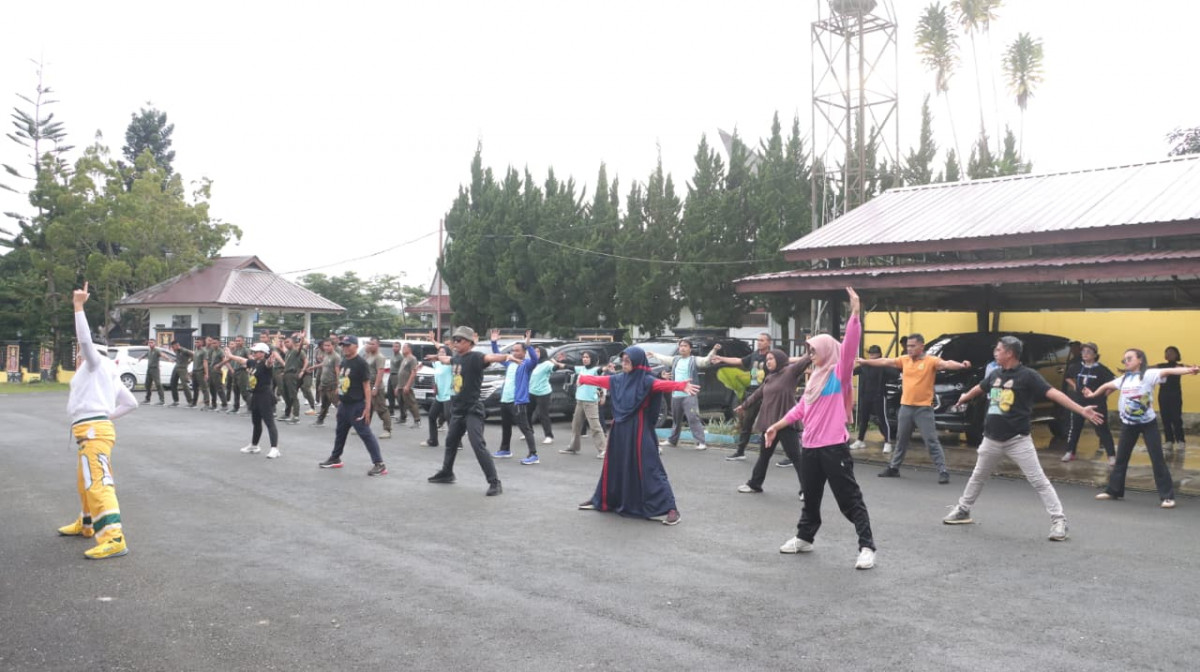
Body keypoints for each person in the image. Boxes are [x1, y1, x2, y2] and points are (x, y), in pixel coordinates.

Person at [942, 336, 1106, 540]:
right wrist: (965, 397)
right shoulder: (995, 374)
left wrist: (1081, 410)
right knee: (978, 476)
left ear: (1010, 353)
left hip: (1017, 440)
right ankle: (963, 510)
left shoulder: (1028, 376)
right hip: (991, 438)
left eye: (998, 350)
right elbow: (980, 387)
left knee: (1039, 481)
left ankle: (1059, 521)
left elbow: (1054, 394)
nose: (995, 353)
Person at [764, 288, 877, 570]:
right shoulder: (814, 378)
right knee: (810, 498)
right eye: (809, 350)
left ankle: (866, 547)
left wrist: (855, 313)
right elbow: (801, 409)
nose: (811, 354)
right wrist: (776, 426)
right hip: (810, 447)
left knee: (849, 500)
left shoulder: (839, 373)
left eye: (814, 350)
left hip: (833, 447)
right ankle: (805, 537)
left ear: (826, 350)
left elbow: (849, 347)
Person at [58, 281, 139, 559]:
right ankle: (88, 523)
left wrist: (78, 306)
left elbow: (83, 340)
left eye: (81, 354)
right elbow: (131, 403)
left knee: (98, 483)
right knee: (87, 480)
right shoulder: (109, 373)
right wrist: (106, 416)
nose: (79, 357)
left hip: (93, 431)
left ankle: (114, 537)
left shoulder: (95, 365)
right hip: (95, 428)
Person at [576, 347, 699, 525]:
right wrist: (584, 379)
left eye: (628, 360)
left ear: (637, 362)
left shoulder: (646, 380)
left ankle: (670, 509)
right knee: (614, 465)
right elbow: (601, 380)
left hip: (640, 429)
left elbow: (661, 385)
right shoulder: (618, 379)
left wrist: (680, 386)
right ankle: (602, 500)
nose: (624, 363)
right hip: (620, 430)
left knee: (650, 467)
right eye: (623, 360)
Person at [1087, 350, 1199, 509]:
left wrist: (1189, 370)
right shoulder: (1124, 378)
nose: (1126, 361)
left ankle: (1167, 497)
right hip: (1128, 425)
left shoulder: (1148, 374)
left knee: (1157, 459)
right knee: (1121, 458)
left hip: (1148, 424)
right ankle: (1113, 490)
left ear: (1140, 360)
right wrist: (1093, 395)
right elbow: (1107, 385)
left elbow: (1170, 370)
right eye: (1124, 359)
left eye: (1129, 358)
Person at [858, 333, 971, 484]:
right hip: (906, 407)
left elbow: (946, 364)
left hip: (924, 409)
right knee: (901, 439)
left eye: (912, 346)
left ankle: (943, 471)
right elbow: (885, 361)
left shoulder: (931, 361)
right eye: (908, 346)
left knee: (931, 440)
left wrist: (961, 365)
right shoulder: (904, 360)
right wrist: (865, 361)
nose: (909, 349)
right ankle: (894, 468)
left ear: (921, 346)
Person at [427, 326, 508, 496]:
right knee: (451, 442)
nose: (455, 343)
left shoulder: (475, 357)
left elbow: (490, 357)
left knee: (477, 444)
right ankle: (447, 473)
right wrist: (437, 357)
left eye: (459, 340)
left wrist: (507, 356)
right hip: (458, 409)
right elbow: (448, 359)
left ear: (469, 343)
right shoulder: (457, 358)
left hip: (472, 409)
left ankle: (495, 482)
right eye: (454, 340)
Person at [710, 334, 807, 461]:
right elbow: (738, 360)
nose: (759, 342)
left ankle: (790, 456)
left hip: (770, 394)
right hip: (753, 393)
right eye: (758, 340)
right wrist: (721, 358)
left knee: (780, 424)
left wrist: (806, 357)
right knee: (747, 424)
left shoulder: (774, 356)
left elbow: (789, 360)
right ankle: (740, 451)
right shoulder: (754, 356)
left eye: (762, 340)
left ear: (769, 342)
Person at [733, 349, 811, 495]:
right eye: (767, 359)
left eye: (771, 359)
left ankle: (807, 490)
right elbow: (758, 393)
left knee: (796, 457)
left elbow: (804, 361)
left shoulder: (790, 372)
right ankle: (755, 484)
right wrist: (744, 405)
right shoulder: (770, 377)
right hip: (769, 425)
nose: (767, 362)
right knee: (764, 455)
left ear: (780, 360)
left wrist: (811, 350)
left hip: (785, 423)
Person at [317, 335, 388, 476]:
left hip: (357, 405)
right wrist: (339, 399)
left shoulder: (361, 363)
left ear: (356, 346)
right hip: (344, 405)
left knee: (365, 434)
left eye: (348, 345)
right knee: (340, 432)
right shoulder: (344, 361)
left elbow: (366, 386)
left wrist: (367, 408)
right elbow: (342, 380)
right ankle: (335, 458)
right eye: (343, 345)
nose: (345, 348)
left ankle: (379, 464)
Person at [647, 339, 719, 451]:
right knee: (676, 420)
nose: (682, 348)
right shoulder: (676, 360)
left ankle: (701, 442)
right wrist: (654, 354)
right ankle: (672, 440)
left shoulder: (693, 360)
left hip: (689, 395)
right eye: (681, 346)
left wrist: (714, 350)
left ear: (690, 348)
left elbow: (705, 361)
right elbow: (664, 359)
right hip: (676, 395)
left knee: (693, 418)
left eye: (685, 346)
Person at [223, 342, 285, 459]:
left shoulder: (265, 364)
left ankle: (274, 449)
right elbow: (242, 360)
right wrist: (230, 356)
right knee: (256, 422)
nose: (254, 353)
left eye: (256, 352)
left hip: (265, 396)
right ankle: (254, 446)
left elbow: (269, 364)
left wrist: (271, 360)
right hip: (255, 396)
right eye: (254, 351)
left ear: (263, 353)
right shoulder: (254, 363)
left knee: (269, 422)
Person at [1061, 342, 1116, 464]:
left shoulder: (1101, 369)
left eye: (1089, 352)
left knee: (1102, 429)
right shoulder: (1076, 366)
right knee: (1074, 428)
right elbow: (1067, 377)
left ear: (1095, 355)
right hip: (1079, 403)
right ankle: (1070, 452)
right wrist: (1075, 385)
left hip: (1096, 404)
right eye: (1083, 351)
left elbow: (1114, 382)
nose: (1085, 354)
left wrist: (1104, 394)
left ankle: (1111, 455)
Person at [493, 330, 540, 464]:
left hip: (518, 402)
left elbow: (535, 359)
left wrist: (529, 345)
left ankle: (533, 455)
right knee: (506, 427)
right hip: (505, 400)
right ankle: (505, 450)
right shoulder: (509, 363)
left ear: (524, 353)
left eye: (517, 350)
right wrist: (494, 342)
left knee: (525, 428)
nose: (514, 352)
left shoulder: (526, 364)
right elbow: (498, 355)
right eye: (513, 350)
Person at [554, 350, 608, 458]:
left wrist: (606, 368)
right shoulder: (581, 369)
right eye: (583, 357)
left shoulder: (595, 370)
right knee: (576, 426)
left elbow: (601, 370)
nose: (585, 359)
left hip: (590, 402)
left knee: (595, 427)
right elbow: (568, 366)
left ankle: (603, 450)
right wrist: (557, 363)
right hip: (579, 401)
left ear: (592, 359)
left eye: (587, 357)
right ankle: (573, 447)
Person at [850, 344, 897, 453]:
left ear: (879, 354)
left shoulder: (883, 365)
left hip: (879, 396)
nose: (872, 356)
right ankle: (860, 440)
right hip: (865, 396)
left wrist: (887, 363)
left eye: (874, 354)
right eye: (871, 354)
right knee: (864, 419)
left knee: (882, 419)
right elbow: (852, 372)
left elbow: (895, 374)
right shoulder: (865, 365)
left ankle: (887, 442)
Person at [419, 344, 453, 448]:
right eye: (439, 352)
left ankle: (457, 442)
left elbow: (453, 359)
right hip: (439, 396)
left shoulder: (450, 364)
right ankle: (433, 441)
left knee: (449, 418)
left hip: (449, 395)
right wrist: (421, 364)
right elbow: (428, 363)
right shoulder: (437, 364)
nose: (440, 354)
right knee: (432, 416)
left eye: (443, 352)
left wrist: (437, 356)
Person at [1155, 346, 1186, 456]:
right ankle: (1169, 440)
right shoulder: (1161, 366)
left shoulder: (1180, 366)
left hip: (1175, 395)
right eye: (1167, 352)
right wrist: (1130, 369)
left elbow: (1192, 368)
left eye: (1171, 353)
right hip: (1163, 395)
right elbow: (1147, 368)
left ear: (1177, 355)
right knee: (1165, 418)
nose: (1168, 354)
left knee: (1176, 418)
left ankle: (1180, 440)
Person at [360, 337, 393, 439]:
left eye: (373, 344)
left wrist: (375, 387)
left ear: (378, 345)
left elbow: (380, 373)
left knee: (381, 408)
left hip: (376, 386)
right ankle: (364, 427)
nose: (370, 345)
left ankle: (387, 430)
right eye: (369, 343)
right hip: (368, 385)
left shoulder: (379, 357)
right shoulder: (369, 355)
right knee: (367, 407)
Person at [528, 346, 556, 445]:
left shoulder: (547, 363)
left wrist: (557, 363)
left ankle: (549, 436)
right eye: (535, 351)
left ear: (543, 353)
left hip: (543, 393)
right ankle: (529, 432)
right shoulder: (533, 363)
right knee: (527, 413)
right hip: (531, 391)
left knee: (543, 414)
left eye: (538, 351)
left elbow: (554, 368)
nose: (536, 353)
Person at [311, 339, 340, 427]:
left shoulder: (336, 357)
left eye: (328, 345)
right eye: (325, 345)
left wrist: (338, 386)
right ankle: (320, 421)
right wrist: (314, 367)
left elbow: (338, 372)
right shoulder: (326, 355)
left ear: (333, 346)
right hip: (324, 384)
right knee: (324, 404)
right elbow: (324, 364)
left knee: (338, 405)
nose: (326, 347)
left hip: (332, 385)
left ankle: (348, 421)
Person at [393, 342, 422, 429]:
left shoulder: (412, 359)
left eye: (404, 347)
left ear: (409, 349)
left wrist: (408, 385)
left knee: (411, 403)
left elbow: (413, 373)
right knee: (401, 402)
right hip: (401, 385)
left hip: (406, 385)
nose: (402, 349)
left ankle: (417, 421)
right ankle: (403, 418)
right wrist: (398, 386)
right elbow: (401, 372)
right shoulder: (405, 358)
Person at [167, 340, 195, 407]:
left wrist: (189, 361)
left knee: (185, 385)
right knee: (173, 383)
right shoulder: (176, 351)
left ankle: (190, 401)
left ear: (177, 345)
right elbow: (179, 358)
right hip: (176, 367)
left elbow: (193, 354)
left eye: (173, 347)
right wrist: (175, 360)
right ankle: (176, 401)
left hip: (183, 369)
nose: (173, 349)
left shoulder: (184, 350)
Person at [205, 337, 230, 412]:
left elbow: (225, 360)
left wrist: (219, 365)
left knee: (219, 388)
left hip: (217, 372)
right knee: (212, 389)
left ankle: (224, 405)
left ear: (219, 343)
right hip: (211, 371)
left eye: (215, 343)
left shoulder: (220, 351)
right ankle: (213, 405)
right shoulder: (213, 351)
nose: (213, 344)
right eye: (212, 343)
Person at [137, 339, 165, 405]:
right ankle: (147, 399)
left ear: (155, 344)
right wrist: (140, 357)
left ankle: (162, 400)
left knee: (158, 384)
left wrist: (168, 358)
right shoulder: (149, 350)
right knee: (147, 384)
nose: (150, 344)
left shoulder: (157, 350)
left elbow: (162, 354)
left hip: (155, 370)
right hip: (149, 369)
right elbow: (145, 355)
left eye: (152, 343)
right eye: (149, 343)